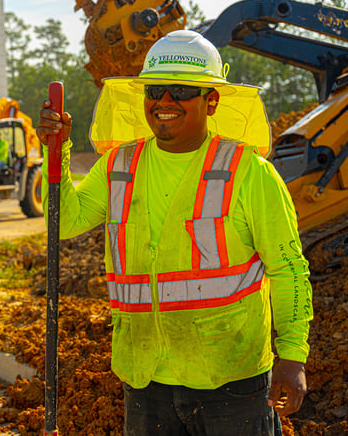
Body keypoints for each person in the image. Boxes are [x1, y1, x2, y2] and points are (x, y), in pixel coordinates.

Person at [37, 30, 313, 436]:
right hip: (146, 378)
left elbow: (288, 268)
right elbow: (65, 221)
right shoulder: (119, 166)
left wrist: (293, 355)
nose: (164, 102)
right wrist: (55, 151)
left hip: (230, 379)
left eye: (181, 90)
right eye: (156, 90)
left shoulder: (249, 173)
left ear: (211, 100)